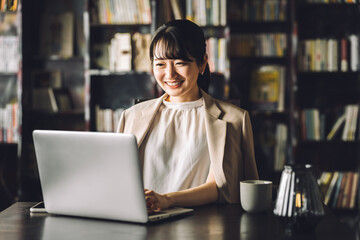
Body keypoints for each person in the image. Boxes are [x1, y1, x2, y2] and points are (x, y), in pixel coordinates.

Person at [117, 19, 258, 212]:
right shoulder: (131, 117)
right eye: (160, 64)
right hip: (144, 222)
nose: (169, 74)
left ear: (202, 64)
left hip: (203, 225)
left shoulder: (234, 119)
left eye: (180, 63)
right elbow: (119, 181)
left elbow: (218, 188)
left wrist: (166, 200)